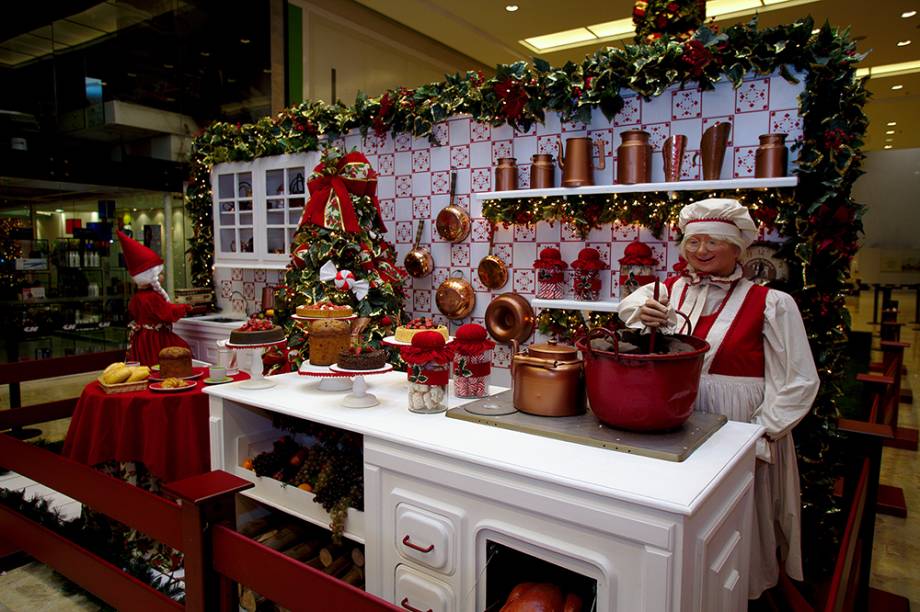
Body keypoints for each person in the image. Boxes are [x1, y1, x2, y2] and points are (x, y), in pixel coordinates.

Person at [618, 198, 820, 599]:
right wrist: (646, 316)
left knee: (735, 512)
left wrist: (762, 431)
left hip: (739, 421)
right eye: (693, 242)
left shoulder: (771, 303)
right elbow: (630, 309)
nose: (701, 250)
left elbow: (799, 379)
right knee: (684, 508)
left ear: (737, 248)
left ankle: (736, 592)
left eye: (713, 242)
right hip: (676, 415)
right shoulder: (668, 291)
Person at [117, 230, 192, 366]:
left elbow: (134, 311)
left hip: (142, 338)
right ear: (150, 277)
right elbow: (165, 312)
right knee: (181, 350)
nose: (163, 276)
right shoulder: (152, 297)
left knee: (146, 362)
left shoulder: (137, 297)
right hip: (155, 337)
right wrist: (184, 307)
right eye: (160, 273)